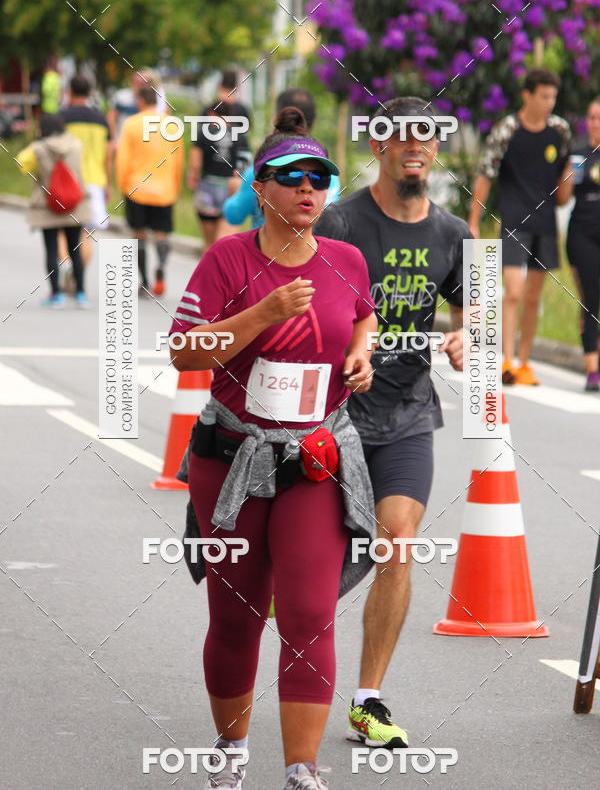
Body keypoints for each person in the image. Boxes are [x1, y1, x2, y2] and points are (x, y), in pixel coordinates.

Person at [170, 107, 378, 790]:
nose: (309, 189)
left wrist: (359, 356)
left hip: (314, 460)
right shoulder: (227, 258)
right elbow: (182, 352)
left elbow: (365, 318)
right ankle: (230, 758)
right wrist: (261, 314)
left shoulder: (346, 260)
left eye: (320, 177)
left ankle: (301, 771)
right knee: (235, 618)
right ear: (260, 188)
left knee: (312, 614)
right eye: (292, 177)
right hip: (231, 459)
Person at [315, 97, 469, 748]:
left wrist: (467, 335)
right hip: (333, 412)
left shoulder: (452, 234)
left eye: (427, 138)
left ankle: (368, 699)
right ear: (377, 147)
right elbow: (305, 310)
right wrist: (348, 347)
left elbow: (472, 310)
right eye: (402, 136)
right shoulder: (340, 222)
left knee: (398, 542)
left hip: (407, 412)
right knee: (315, 558)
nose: (416, 146)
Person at [468, 68, 572, 386]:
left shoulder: (560, 130)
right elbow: (485, 174)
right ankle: (506, 360)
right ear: (527, 95)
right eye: (543, 95)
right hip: (514, 219)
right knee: (513, 291)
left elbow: (564, 175)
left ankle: (525, 362)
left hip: (546, 223)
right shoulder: (507, 129)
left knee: (532, 297)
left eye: (553, 96)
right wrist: (473, 221)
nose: (549, 102)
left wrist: (568, 187)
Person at [223, 87, 340, 230]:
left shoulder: (256, 171)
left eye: (319, 180)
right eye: (289, 177)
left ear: (278, 118)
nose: (307, 187)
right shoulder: (331, 176)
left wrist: (235, 190)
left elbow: (234, 215)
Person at [16, 113, 90, 307]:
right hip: (74, 204)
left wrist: (35, 144)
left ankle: (56, 294)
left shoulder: (39, 149)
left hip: (48, 206)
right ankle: (81, 293)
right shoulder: (76, 145)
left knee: (51, 250)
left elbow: (22, 164)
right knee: (75, 249)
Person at [116, 85, 183, 296]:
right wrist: (175, 186)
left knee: (139, 234)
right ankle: (161, 270)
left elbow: (122, 159)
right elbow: (178, 160)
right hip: (165, 190)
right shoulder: (172, 125)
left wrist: (123, 185)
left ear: (140, 101)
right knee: (162, 234)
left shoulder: (131, 124)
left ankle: (144, 281)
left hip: (137, 188)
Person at [560, 98, 600, 391]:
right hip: (582, 233)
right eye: (591, 117)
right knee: (591, 296)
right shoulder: (577, 155)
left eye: (599, 118)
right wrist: (566, 175)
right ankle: (591, 368)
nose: (594, 123)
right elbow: (561, 199)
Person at [60, 74, 112, 276]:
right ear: (90, 93)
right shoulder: (101, 120)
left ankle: (66, 268)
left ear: (70, 91)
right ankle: (78, 275)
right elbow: (108, 155)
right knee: (87, 233)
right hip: (95, 181)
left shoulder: (62, 117)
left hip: (68, 181)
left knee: (64, 230)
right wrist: (108, 183)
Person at [187, 101, 252, 249]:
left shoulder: (203, 133)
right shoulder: (240, 136)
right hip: (232, 189)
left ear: (212, 113)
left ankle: (208, 269)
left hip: (207, 187)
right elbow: (245, 166)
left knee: (208, 243)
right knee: (224, 242)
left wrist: (192, 178)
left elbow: (195, 164)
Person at [107, 67, 168, 141]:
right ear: (132, 83)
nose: (139, 86)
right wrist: (113, 139)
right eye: (137, 82)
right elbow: (111, 117)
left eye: (143, 83)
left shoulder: (156, 100)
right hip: (123, 140)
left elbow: (164, 119)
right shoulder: (121, 96)